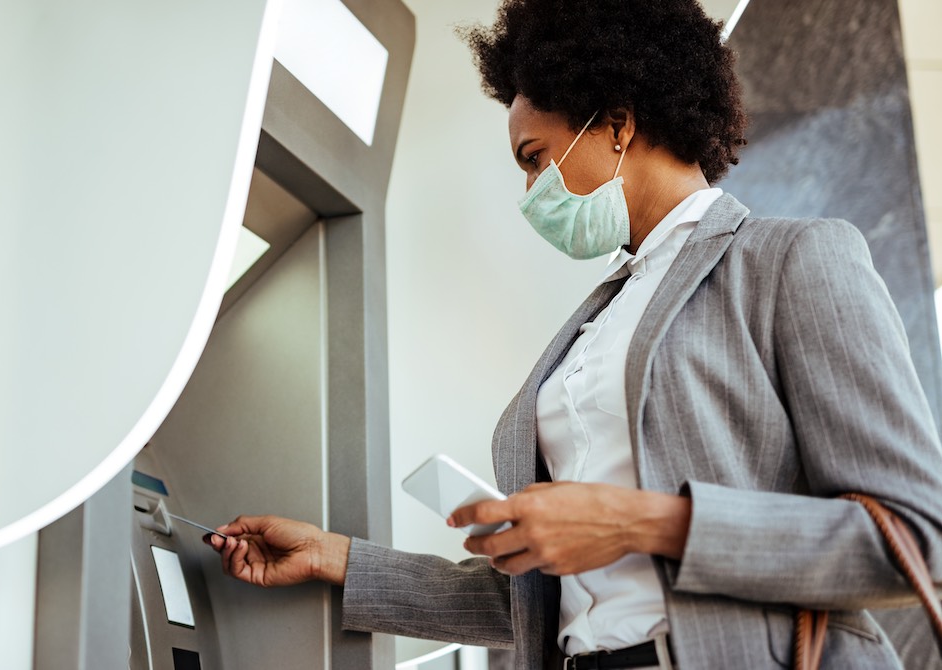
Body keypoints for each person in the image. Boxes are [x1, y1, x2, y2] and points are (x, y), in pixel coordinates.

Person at [205, 0, 942, 667]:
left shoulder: (791, 259)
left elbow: (917, 542)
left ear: (617, 124)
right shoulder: (601, 316)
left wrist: (643, 523)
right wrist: (337, 558)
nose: (532, 193)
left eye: (535, 159)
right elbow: (530, 604)